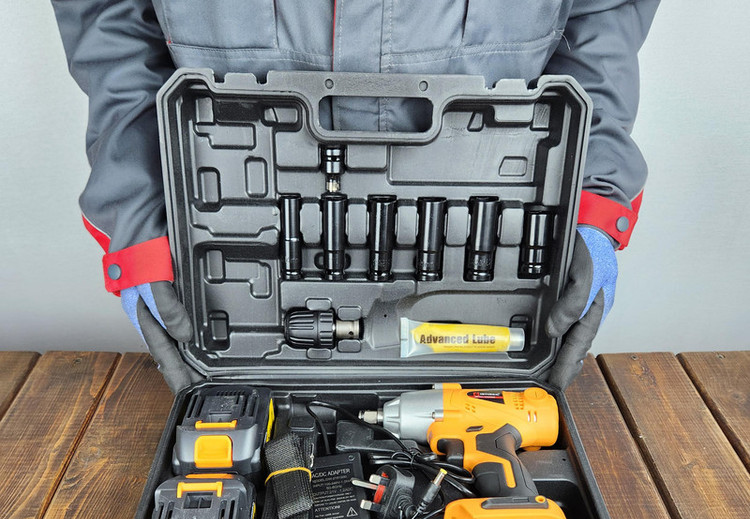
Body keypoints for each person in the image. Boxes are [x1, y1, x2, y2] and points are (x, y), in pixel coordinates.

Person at [52, 0, 659, 392]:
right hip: (245, 346)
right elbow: (108, 25)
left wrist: (592, 198)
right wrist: (139, 220)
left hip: (489, 332)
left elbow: (605, 17)